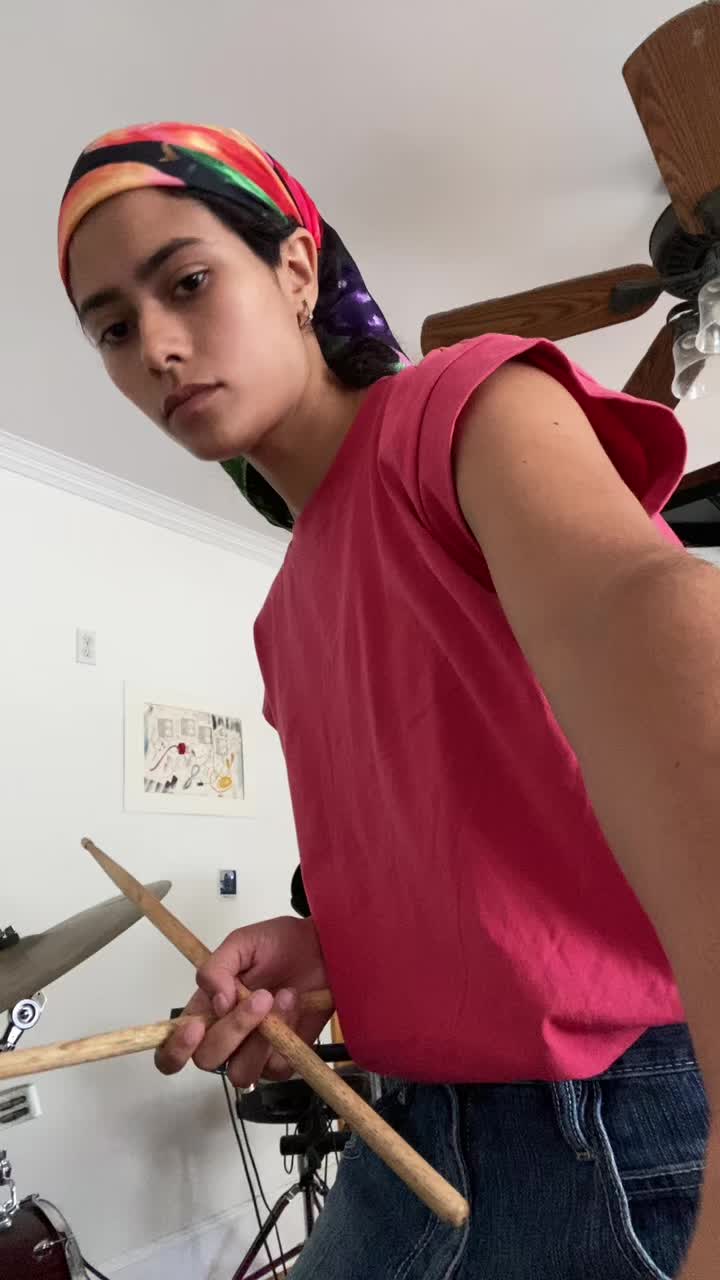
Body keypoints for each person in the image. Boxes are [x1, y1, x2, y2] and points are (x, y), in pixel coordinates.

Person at [57, 122, 720, 1279]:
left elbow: (651, 611)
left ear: (296, 268)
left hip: (619, 1131)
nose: (155, 344)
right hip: (405, 1128)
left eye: (188, 282)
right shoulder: (285, 612)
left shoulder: (460, 405)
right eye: (113, 326)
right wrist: (329, 951)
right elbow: (476, 855)